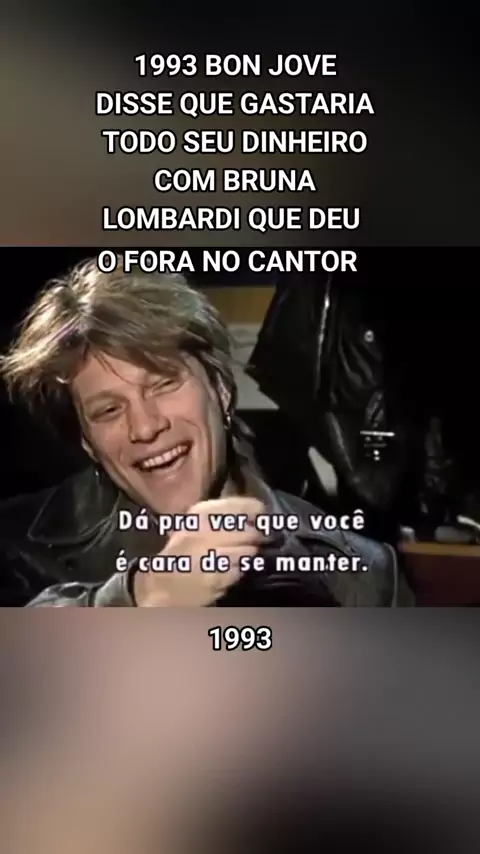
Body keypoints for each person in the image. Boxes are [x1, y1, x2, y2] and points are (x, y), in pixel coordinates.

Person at [0, 259, 413, 606]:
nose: (145, 427)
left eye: (163, 384)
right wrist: (142, 597)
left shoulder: (366, 575)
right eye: (109, 410)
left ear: (221, 388)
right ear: (88, 442)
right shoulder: (17, 547)